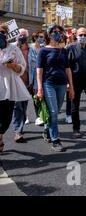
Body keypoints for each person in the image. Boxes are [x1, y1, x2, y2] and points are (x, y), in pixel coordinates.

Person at [37, 24, 75, 152]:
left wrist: (72, 87)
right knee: (53, 112)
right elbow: (39, 71)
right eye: (54, 31)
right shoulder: (43, 51)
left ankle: (47, 129)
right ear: (48, 34)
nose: (57, 33)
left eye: (59, 31)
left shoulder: (63, 51)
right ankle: (56, 140)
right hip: (49, 84)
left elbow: (68, 70)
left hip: (62, 84)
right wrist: (39, 88)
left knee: (56, 111)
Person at [0, 24, 32, 152]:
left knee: (6, 116)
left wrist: (13, 66)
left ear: (7, 34)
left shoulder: (14, 49)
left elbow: (21, 68)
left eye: (2, 32)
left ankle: (1, 134)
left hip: (9, 85)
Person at [11, 28, 32, 143]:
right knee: (17, 106)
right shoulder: (12, 48)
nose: (22, 37)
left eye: (24, 35)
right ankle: (17, 131)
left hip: (28, 82)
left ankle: (20, 126)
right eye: (20, 35)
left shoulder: (31, 49)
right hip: (16, 82)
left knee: (23, 107)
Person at [29, 30, 45, 126]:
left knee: (38, 97)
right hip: (30, 75)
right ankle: (24, 117)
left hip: (41, 76)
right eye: (40, 36)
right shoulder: (30, 48)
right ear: (35, 37)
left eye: (43, 37)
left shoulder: (43, 48)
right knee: (25, 99)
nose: (41, 39)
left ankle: (39, 116)